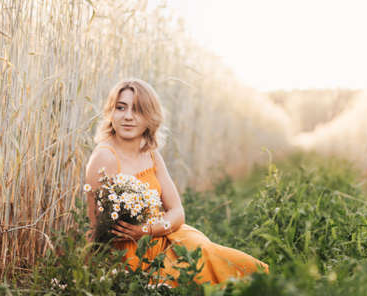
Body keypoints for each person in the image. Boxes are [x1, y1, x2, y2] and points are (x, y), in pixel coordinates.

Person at [84, 78, 269, 287]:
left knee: (235, 265)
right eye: (120, 108)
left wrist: (146, 229)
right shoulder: (105, 158)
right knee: (196, 281)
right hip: (134, 256)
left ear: (149, 118)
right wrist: (93, 278)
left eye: (137, 110)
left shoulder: (151, 155)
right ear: (111, 113)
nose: (128, 116)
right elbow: (95, 228)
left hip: (168, 237)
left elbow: (178, 212)